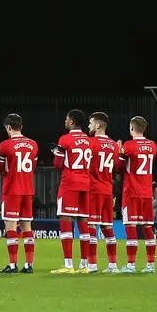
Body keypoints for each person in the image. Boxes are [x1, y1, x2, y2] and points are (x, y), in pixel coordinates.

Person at [51, 108, 93, 274]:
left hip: (69, 184)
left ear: (73, 121)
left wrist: (56, 152)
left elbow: (57, 164)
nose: (65, 121)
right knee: (83, 222)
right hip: (86, 183)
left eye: (67, 119)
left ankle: (68, 265)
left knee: (66, 219)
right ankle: (84, 265)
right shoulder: (90, 141)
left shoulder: (65, 139)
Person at [0, 113, 38, 273]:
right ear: (21, 126)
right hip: (28, 190)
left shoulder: (5, 145)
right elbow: (33, 167)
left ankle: (12, 265)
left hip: (12, 190)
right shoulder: (33, 144)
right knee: (27, 227)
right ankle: (29, 265)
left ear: (8, 127)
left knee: (11, 227)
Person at [118, 115, 157, 273]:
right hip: (147, 193)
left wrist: (119, 152)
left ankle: (131, 265)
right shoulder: (152, 146)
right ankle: (150, 265)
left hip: (132, 192)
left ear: (131, 128)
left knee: (131, 227)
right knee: (148, 227)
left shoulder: (129, 146)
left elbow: (119, 167)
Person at [86, 111, 120, 273]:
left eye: (91, 123)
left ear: (98, 125)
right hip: (108, 189)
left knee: (91, 226)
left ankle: (92, 265)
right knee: (107, 226)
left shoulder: (90, 143)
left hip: (93, 188)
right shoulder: (114, 145)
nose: (89, 126)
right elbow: (117, 168)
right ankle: (112, 265)